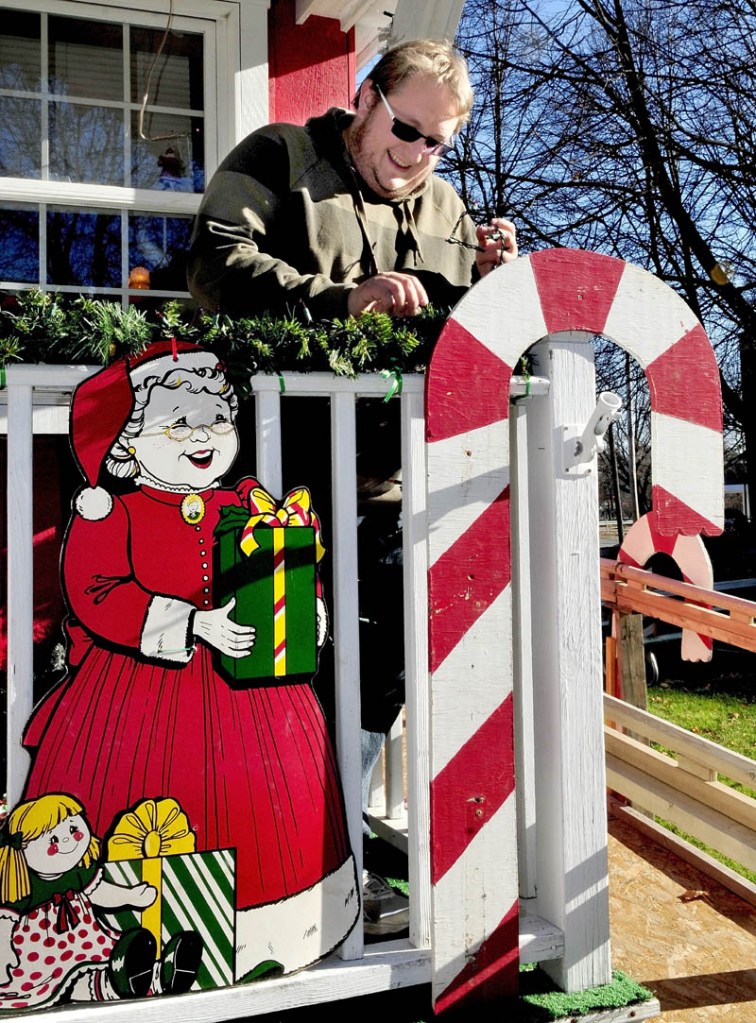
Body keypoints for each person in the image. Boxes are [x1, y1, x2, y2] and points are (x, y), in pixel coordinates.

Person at [187, 38, 518, 932]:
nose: (418, 156)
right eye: (406, 130)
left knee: (376, 677)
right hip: (273, 486)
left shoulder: (447, 208)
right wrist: (341, 301)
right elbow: (212, 262)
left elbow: (460, 341)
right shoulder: (280, 155)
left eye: (438, 143)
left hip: (386, 490)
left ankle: (332, 855)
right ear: (367, 99)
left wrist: (490, 286)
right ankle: (257, 866)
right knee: (273, 667)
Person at [20, 341, 359, 981]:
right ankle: (121, 942)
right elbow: (97, 592)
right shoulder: (108, 514)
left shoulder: (250, 508)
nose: (203, 436)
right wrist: (194, 623)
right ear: (127, 444)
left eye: (216, 420)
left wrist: (302, 607)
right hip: (134, 694)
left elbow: (284, 564)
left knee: (274, 810)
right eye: (179, 424)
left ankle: (276, 928)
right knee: (136, 803)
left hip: (257, 691)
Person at [0, 792, 202, 1008]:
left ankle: (164, 974)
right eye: (53, 840)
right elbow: (5, 921)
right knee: (74, 980)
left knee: (108, 960)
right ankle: (117, 985)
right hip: (42, 955)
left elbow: (99, 892)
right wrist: (5, 955)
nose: (68, 840)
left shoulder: (78, 872)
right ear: (21, 848)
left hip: (86, 940)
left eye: (73, 829)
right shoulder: (20, 886)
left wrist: (130, 896)